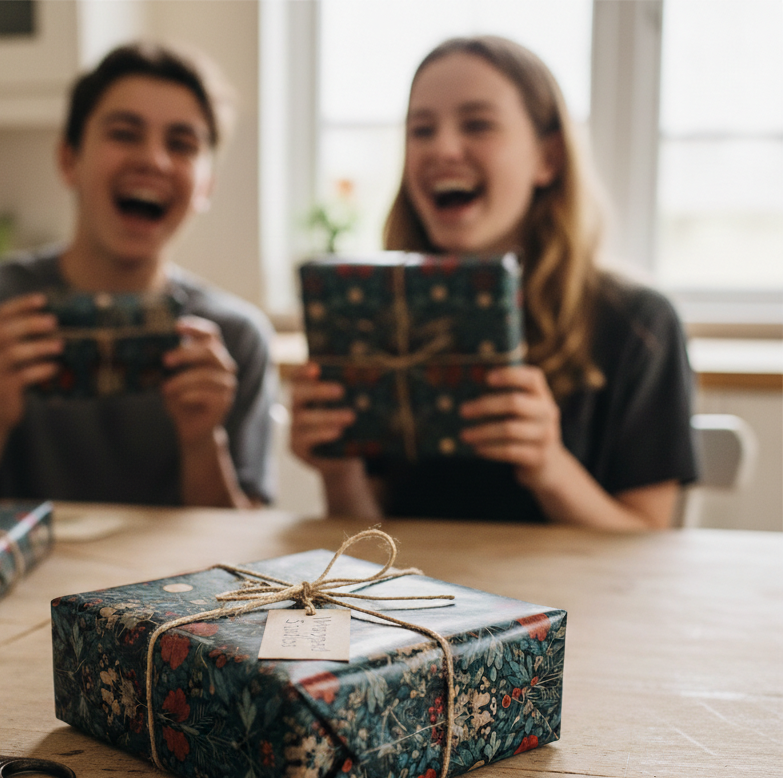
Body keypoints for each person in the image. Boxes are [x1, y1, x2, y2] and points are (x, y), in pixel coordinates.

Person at [291, 36, 697, 530]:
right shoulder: (379, 315)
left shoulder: (640, 324)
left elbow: (652, 546)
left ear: (548, 158)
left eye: (478, 124)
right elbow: (369, 547)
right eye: (421, 130)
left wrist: (550, 467)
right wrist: (341, 471)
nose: (441, 148)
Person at [0, 43, 274, 508]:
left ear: (207, 185)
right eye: (124, 133)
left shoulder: (236, 340)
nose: (153, 160)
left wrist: (202, 441)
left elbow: (246, 557)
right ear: (69, 159)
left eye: (182, 144)